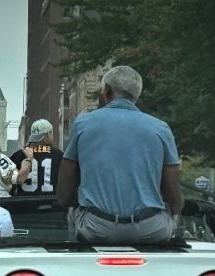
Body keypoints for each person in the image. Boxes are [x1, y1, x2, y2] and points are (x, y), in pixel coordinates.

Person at [57, 65, 183, 244]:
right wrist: (176, 210)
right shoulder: (160, 128)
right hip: (150, 228)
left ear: (107, 91)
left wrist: (72, 203)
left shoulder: (83, 124)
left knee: (72, 215)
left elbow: (64, 192)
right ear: (135, 95)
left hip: (97, 227)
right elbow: (172, 193)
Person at [11, 118, 63, 196]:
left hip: (23, 205)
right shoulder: (59, 156)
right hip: (50, 204)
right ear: (48, 134)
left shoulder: (19, 155)